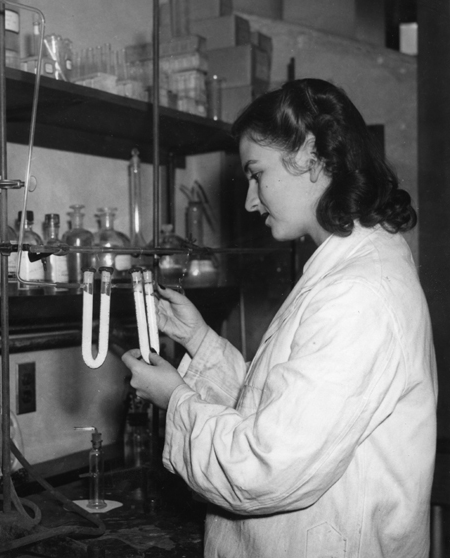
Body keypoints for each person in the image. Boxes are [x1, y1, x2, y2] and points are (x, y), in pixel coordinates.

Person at [122, 78, 437, 558]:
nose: (250, 200)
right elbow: (281, 413)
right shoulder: (344, 269)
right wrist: (199, 340)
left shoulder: (358, 293)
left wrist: (175, 399)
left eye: (256, 173)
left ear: (310, 154)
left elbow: (264, 466)